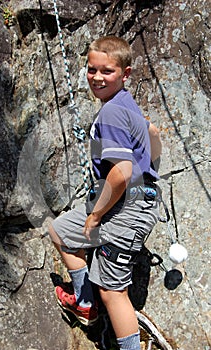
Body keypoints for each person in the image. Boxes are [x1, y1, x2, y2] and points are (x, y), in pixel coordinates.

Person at [48, 35, 162, 350]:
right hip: (123, 202)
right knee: (60, 231)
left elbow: (122, 172)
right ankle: (85, 303)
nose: (97, 77)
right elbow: (153, 142)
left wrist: (96, 215)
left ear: (125, 74)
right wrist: (148, 134)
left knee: (113, 292)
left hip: (129, 208)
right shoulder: (123, 104)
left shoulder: (112, 112)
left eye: (107, 71)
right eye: (92, 69)